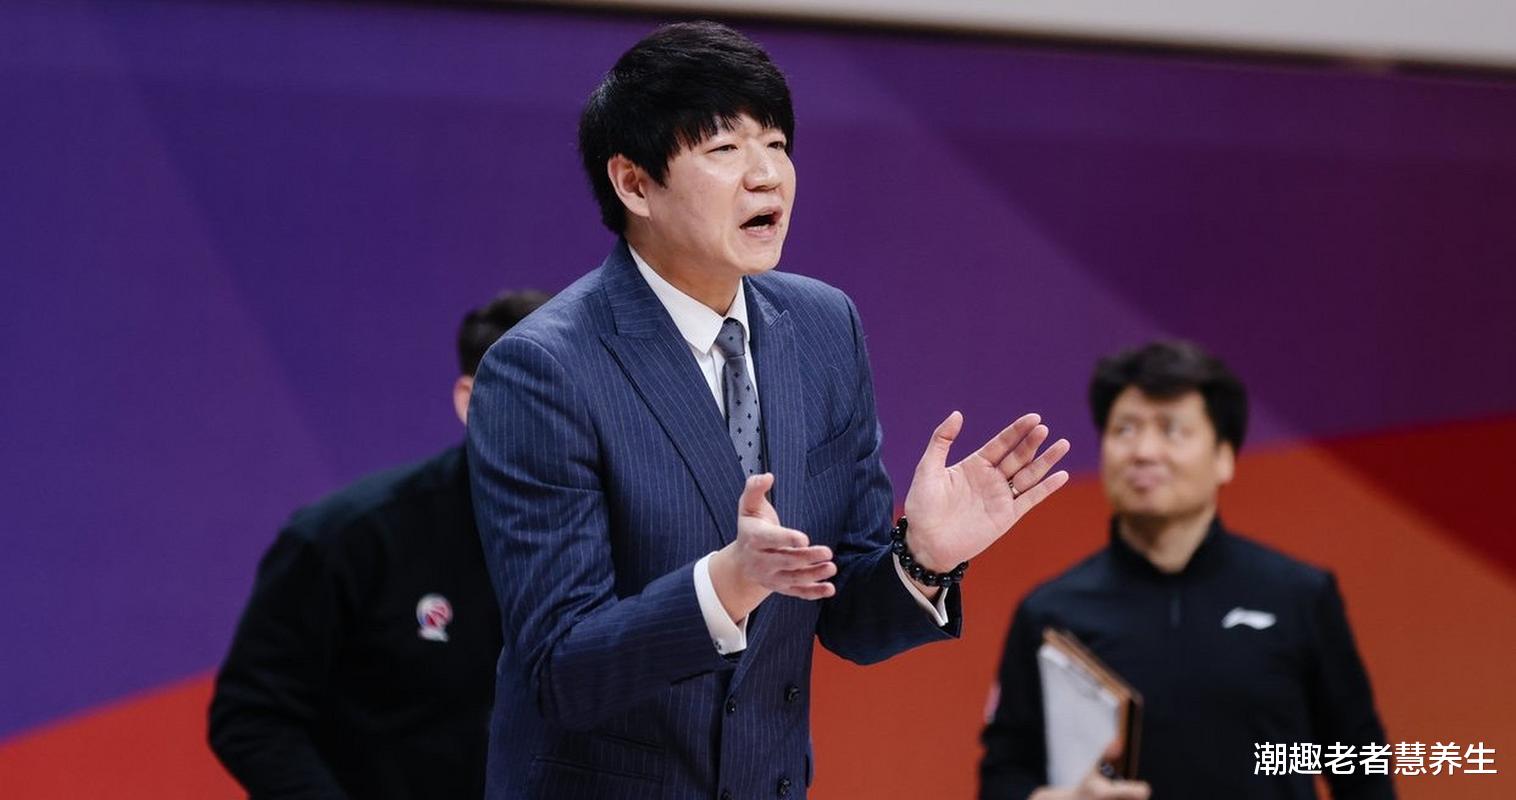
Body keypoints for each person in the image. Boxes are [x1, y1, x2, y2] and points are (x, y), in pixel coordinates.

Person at [466, 21, 1072, 799]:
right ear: (634, 184)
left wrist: (922, 557)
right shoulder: (543, 369)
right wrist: (725, 585)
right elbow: (562, 670)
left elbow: (848, 620)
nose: (767, 177)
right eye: (724, 148)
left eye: (777, 144)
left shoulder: (823, 326)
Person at [979, 341, 1394, 800]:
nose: (1143, 451)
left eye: (1172, 430)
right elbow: (1003, 776)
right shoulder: (1050, 613)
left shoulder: (1299, 595)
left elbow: (1362, 763)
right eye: (1125, 429)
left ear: (1224, 456)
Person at [208, 290, 549, 799]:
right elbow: (251, 715)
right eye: (537, 396)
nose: (560, 421)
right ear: (470, 400)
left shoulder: (627, 533)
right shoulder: (348, 539)